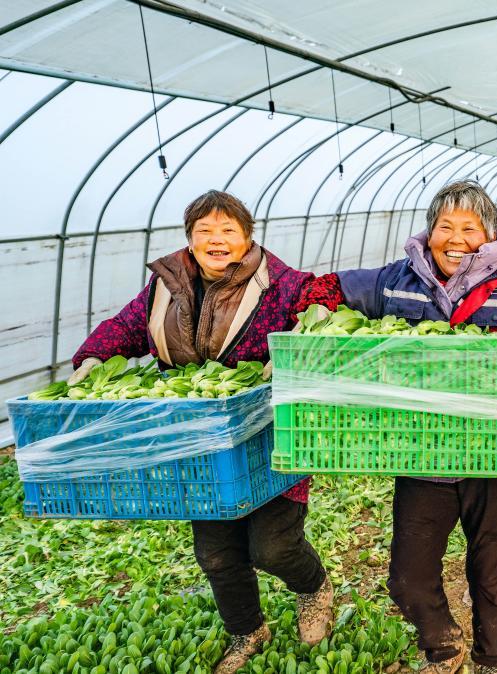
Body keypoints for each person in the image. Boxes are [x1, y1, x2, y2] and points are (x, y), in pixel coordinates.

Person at [302, 179, 497, 674]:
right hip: (422, 452)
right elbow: (331, 290)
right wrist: (304, 306)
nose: (456, 238)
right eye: (444, 226)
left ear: (490, 234)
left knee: (494, 575)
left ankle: (492, 659)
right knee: (407, 578)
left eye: (469, 228)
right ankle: (443, 644)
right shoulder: (396, 281)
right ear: (429, 232)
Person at [70, 190, 338, 673]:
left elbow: (324, 295)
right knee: (216, 554)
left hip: (269, 437)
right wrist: (91, 359)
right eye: (204, 232)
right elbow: (126, 328)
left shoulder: (281, 284)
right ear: (190, 240)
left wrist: (304, 334)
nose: (217, 240)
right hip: (201, 440)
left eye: (227, 231)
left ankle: (314, 590)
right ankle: (247, 630)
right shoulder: (166, 287)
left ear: (247, 236)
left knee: (273, 546)